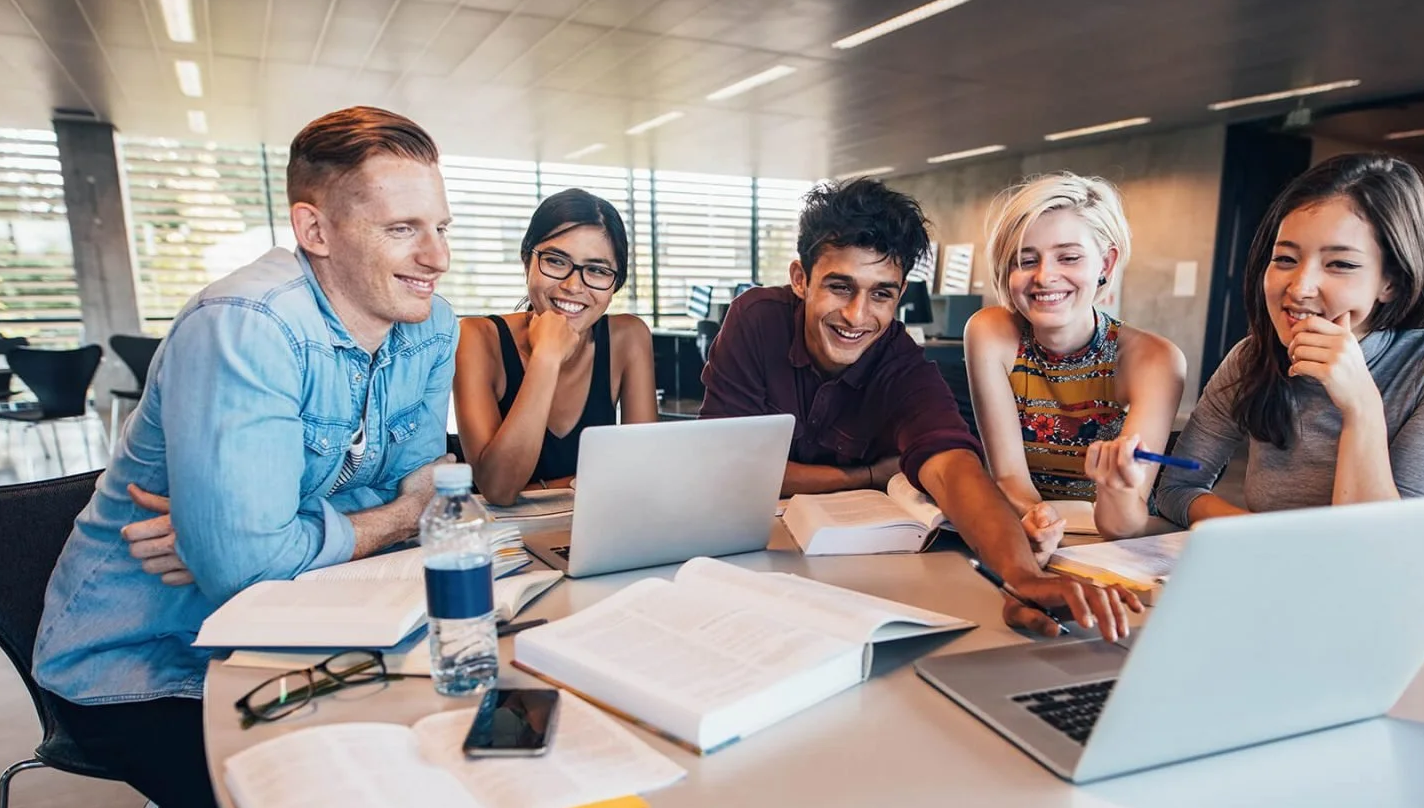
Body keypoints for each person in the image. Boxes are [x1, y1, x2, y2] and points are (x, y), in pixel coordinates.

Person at [32, 106, 460, 808]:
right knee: (315, 800)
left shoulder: (428, 323)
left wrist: (272, 537)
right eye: (402, 228)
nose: (435, 256)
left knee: (434, 741)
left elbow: (418, 505)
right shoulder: (246, 325)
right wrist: (353, 523)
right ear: (314, 230)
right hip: (136, 655)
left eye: (441, 226)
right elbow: (268, 558)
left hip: (293, 627)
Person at [699, 177, 1139, 640]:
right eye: (840, 287)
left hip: (854, 573)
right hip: (746, 561)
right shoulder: (755, 319)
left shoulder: (900, 362)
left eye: (881, 294)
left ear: (900, 293)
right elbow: (728, 466)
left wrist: (1022, 576)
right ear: (801, 279)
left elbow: (952, 466)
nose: (856, 315)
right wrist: (866, 475)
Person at [1154, 153, 1424, 525]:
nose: (1300, 288)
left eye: (1340, 264)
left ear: (1391, 281)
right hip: (1270, 572)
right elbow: (1176, 489)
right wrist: (1260, 541)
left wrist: (1360, 405)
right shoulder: (1252, 356)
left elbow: (1381, 545)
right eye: (1285, 259)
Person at [966, 173, 1185, 539]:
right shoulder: (990, 333)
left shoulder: (1155, 359)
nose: (1045, 276)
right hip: (1029, 532)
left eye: (1068, 257)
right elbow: (1009, 480)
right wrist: (1039, 522)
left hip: (1112, 547)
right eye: (1025, 260)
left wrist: (1117, 489)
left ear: (1106, 264)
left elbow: (1124, 525)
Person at [452, 189, 656, 505]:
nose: (573, 286)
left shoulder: (628, 338)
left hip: (596, 527)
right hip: (506, 540)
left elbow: (642, 474)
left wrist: (539, 489)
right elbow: (498, 489)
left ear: (615, 284)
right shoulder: (476, 337)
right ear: (526, 262)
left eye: (598, 270)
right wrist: (546, 356)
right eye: (556, 261)